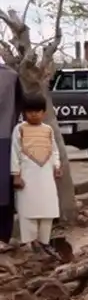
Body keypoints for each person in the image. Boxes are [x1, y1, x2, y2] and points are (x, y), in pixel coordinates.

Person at [10, 91, 61, 255]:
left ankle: (45, 243)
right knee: (28, 211)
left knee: (48, 210)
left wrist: (57, 166)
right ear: (24, 113)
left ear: (44, 112)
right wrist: (16, 175)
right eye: (30, 111)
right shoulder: (20, 129)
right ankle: (29, 245)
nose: (34, 114)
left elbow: (54, 150)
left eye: (37, 111)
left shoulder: (48, 130)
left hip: (46, 175)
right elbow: (15, 152)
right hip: (27, 176)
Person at [0, 63, 24, 248]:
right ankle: (3, 237)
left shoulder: (11, 76)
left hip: (5, 137)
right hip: (5, 136)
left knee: (4, 189)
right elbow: (20, 107)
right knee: (4, 190)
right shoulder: (11, 76)